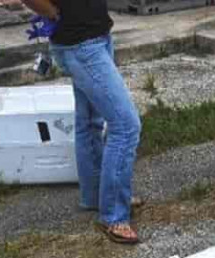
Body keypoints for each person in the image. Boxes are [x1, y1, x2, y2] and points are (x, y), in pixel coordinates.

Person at [22, 0, 142, 243]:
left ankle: (96, 196)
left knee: (89, 121)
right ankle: (114, 215)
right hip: (80, 44)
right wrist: (52, 12)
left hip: (95, 36)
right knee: (126, 126)